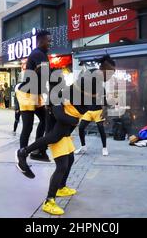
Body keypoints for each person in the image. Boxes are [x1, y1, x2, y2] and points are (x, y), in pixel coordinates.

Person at [15, 56, 116, 216]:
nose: (111, 75)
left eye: (113, 73)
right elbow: (67, 95)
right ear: (103, 68)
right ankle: (49, 200)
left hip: (65, 112)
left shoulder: (96, 80)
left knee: (69, 158)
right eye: (110, 72)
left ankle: (61, 187)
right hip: (63, 112)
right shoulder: (91, 78)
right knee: (60, 160)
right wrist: (66, 114)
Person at [16, 30, 52, 162]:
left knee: (45, 120)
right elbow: (45, 75)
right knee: (28, 126)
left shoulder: (42, 54)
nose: (50, 43)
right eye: (48, 41)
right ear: (41, 41)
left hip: (35, 93)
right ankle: (22, 157)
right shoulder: (38, 54)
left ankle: (38, 150)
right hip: (26, 94)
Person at [76, 85, 108, 156]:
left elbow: (104, 102)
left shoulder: (101, 88)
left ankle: (104, 148)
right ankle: (83, 147)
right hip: (88, 111)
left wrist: (104, 112)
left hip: (98, 111)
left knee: (101, 129)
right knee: (81, 127)